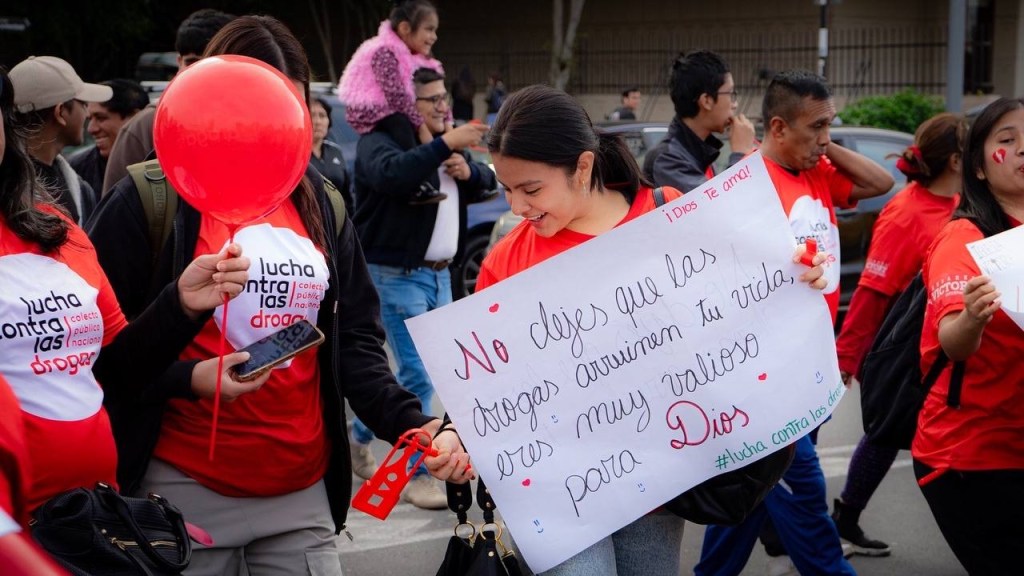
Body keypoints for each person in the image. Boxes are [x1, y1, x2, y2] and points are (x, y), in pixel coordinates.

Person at [87, 16, 470, 576]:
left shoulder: (321, 200)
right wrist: (185, 345)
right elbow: (101, 364)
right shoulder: (148, 200)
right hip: (180, 489)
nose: (276, 128)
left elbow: (357, 344)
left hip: (301, 492)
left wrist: (417, 424)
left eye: (289, 111)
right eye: (258, 106)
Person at [465, 83, 827, 576]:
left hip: (654, 477)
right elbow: (485, 382)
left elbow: (739, 299)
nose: (518, 206)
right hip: (559, 484)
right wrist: (455, 435)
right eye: (506, 188)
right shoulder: (507, 260)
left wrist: (799, 273)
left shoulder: (664, 212)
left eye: (531, 189)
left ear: (584, 166)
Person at [0, 63, 250, 563]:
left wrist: (180, 303)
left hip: (94, 522)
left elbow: (118, 367)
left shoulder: (56, 230)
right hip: (16, 532)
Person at [695, 70, 894, 576]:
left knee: (751, 495)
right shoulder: (744, 187)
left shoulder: (817, 172)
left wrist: (822, 147)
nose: (826, 138)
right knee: (801, 490)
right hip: (768, 378)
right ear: (778, 128)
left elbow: (881, 182)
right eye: (816, 127)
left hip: (812, 362)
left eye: (830, 125)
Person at [349, 67, 493, 509]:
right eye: (430, 99)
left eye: (443, 96)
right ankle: (413, 478)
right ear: (406, 105)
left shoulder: (443, 145)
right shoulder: (383, 140)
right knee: (416, 376)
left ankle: (359, 435)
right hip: (398, 275)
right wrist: (444, 145)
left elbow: (489, 182)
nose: (441, 106)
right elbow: (391, 175)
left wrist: (466, 169)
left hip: (441, 275)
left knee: (441, 374)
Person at [831, 112, 965, 557]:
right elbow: (871, 292)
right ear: (956, 159)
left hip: (952, 348)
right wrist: (846, 359)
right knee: (889, 434)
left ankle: (841, 519)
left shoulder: (969, 203)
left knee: (897, 437)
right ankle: (836, 521)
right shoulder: (906, 213)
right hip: (901, 351)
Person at [913, 96, 1024, 576]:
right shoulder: (964, 239)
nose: (1023, 150)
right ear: (978, 167)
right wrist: (974, 316)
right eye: (1008, 140)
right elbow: (953, 342)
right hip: (971, 458)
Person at [101, 8, 236, 195]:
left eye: (213, 62)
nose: (202, 71)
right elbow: (116, 215)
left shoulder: (252, 125)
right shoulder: (145, 127)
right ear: (178, 62)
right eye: (193, 62)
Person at [9, 56, 111, 225]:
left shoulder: (79, 188)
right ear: (61, 112)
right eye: (84, 104)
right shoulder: (11, 193)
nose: (87, 116)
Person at [644, 50, 756, 193]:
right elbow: (716, 209)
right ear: (707, 101)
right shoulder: (667, 160)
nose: (735, 104)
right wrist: (740, 155)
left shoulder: (701, 150)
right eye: (730, 94)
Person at [338, 0, 446, 148]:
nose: (434, 36)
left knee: (432, 125)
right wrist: (421, 128)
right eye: (429, 29)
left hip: (396, 109)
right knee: (402, 123)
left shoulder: (417, 55)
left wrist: (449, 124)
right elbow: (396, 96)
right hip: (370, 110)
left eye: (435, 30)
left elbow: (438, 82)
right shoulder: (384, 51)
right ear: (405, 28)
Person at [68, 78, 148, 196]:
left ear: (135, 118)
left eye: (101, 118)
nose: (91, 129)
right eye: (89, 119)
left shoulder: (164, 167)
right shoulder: (76, 170)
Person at [310, 95, 354, 210]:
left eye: (322, 115)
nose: (317, 121)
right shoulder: (298, 155)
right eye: (312, 115)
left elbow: (347, 194)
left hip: (337, 220)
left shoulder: (335, 151)